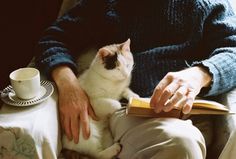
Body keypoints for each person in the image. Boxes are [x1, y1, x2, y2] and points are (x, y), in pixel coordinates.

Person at [35, 0, 236, 158]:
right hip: (131, 111)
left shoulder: (206, 4)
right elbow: (53, 39)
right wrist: (69, 86)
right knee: (181, 142)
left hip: (192, 111)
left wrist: (200, 74)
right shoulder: (106, 4)